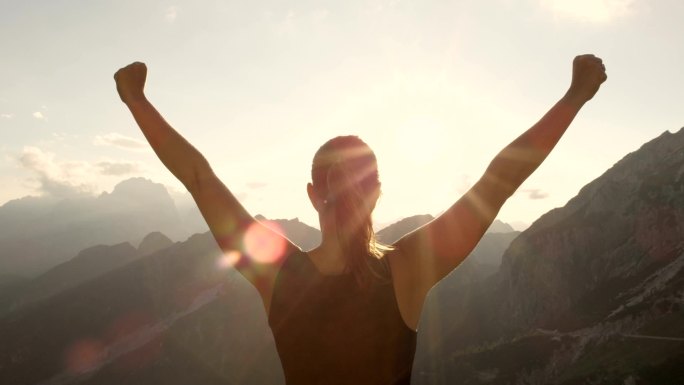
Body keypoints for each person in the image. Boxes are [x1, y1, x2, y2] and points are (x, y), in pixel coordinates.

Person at [114, 54, 606, 384]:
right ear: (376, 195)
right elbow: (497, 183)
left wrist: (136, 100)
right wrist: (574, 97)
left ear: (312, 195)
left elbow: (199, 178)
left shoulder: (277, 272)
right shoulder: (408, 269)